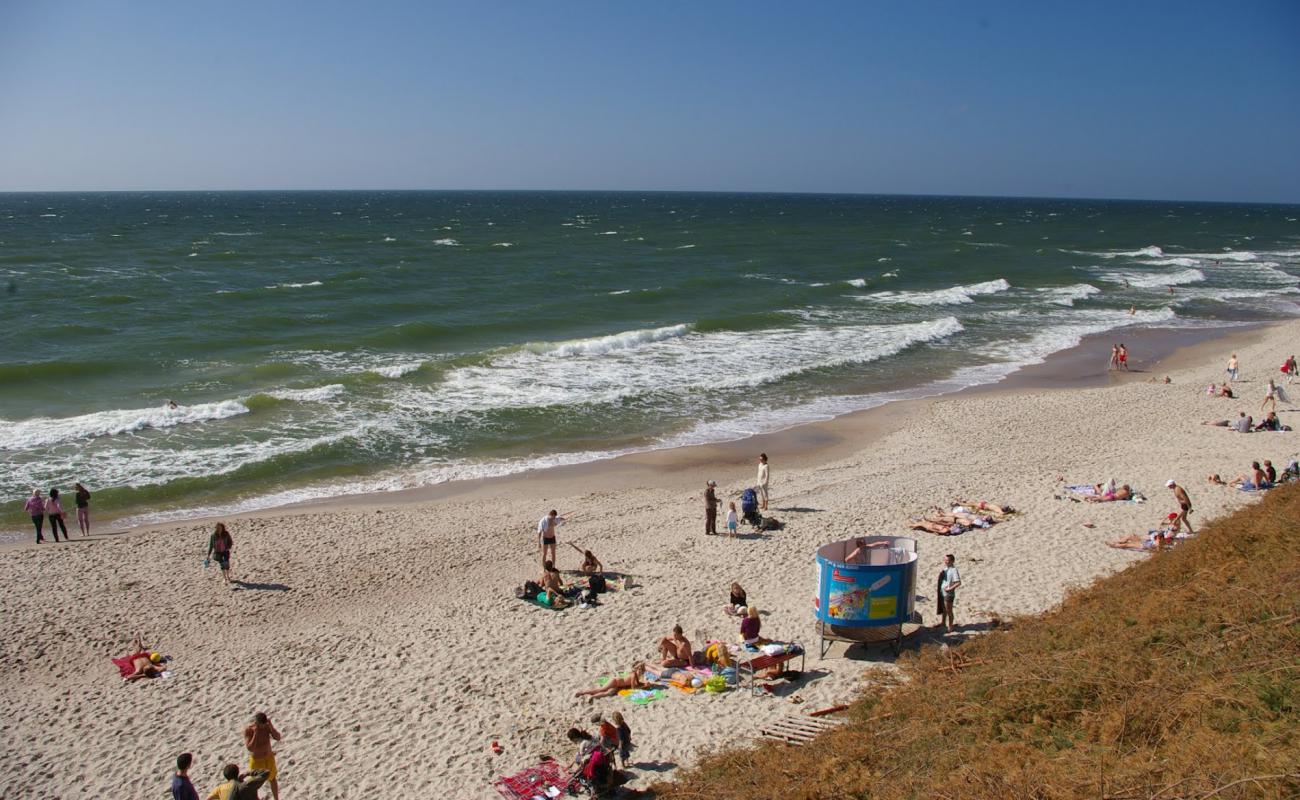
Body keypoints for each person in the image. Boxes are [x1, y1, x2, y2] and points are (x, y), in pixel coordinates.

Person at [243, 712, 282, 800]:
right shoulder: (249, 730)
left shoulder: (267, 726)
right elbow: (250, 748)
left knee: (273, 779)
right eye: (262, 725)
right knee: (254, 784)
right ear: (256, 723)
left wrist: (271, 728)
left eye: (265, 724)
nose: (264, 727)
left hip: (269, 758)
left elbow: (278, 738)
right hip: (257, 761)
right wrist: (256, 733)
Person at [574, 662, 650, 698]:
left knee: (609, 692)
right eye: (639, 669)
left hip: (618, 686)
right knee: (601, 689)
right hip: (615, 682)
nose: (640, 671)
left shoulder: (636, 675)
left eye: (642, 670)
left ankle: (592, 697)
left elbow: (636, 683)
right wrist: (643, 686)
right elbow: (633, 687)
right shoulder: (634, 675)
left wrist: (644, 684)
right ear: (636, 669)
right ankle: (582, 692)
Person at [940, 554, 961, 633]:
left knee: (949, 610)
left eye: (947, 560)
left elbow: (958, 582)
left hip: (949, 594)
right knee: (944, 609)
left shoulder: (953, 570)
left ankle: (950, 626)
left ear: (952, 561)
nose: (946, 561)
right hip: (943, 592)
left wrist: (950, 588)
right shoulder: (946, 568)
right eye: (945, 560)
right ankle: (943, 622)